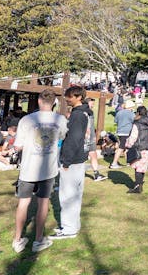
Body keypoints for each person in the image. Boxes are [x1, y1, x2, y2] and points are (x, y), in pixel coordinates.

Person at [12, 89, 68, 253]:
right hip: (47, 169)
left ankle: (17, 239)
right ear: (54, 102)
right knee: (43, 202)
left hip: (29, 168)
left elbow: (18, 145)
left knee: (23, 203)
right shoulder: (60, 119)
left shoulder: (26, 120)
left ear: (38, 101)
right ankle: (38, 239)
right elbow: (62, 137)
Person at [54, 86, 89, 240]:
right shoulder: (84, 113)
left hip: (73, 160)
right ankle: (73, 225)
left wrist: (66, 161)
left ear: (78, 97)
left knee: (68, 195)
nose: (67, 99)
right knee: (75, 194)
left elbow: (74, 139)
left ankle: (68, 228)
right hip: (79, 158)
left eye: (69, 97)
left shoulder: (78, 115)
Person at [125, 106, 148, 194]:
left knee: (137, 167)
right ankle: (140, 185)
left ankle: (137, 186)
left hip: (138, 148)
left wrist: (128, 145)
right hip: (146, 147)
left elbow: (133, 136)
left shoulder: (137, 124)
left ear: (138, 113)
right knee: (142, 168)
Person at [83, 98, 107, 182]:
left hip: (91, 137)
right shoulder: (84, 112)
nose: (93, 105)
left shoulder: (90, 112)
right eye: (92, 103)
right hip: (85, 138)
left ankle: (96, 174)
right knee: (82, 157)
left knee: (93, 155)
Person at [110, 100, 135, 169]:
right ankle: (114, 163)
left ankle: (129, 162)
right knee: (121, 148)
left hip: (120, 131)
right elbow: (134, 121)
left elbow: (115, 121)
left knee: (125, 147)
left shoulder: (119, 113)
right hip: (127, 132)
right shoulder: (131, 113)